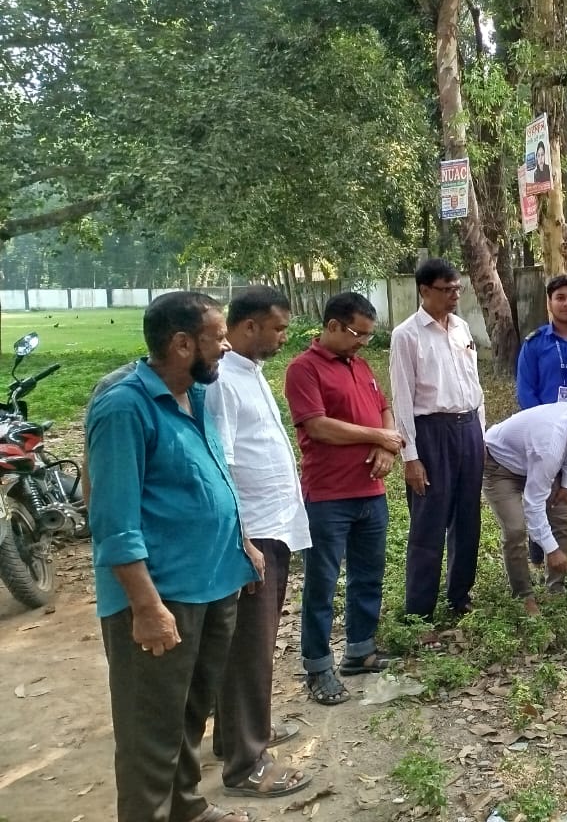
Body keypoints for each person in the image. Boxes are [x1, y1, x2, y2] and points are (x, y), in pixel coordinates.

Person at [87, 291, 257, 822]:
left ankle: (187, 808)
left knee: (189, 713)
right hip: (162, 595)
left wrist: (242, 542)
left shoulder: (196, 395)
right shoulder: (125, 407)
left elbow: (212, 478)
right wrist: (146, 608)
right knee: (150, 732)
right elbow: (112, 521)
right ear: (183, 344)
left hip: (214, 582)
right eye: (218, 337)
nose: (227, 346)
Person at [207, 287, 311, 799]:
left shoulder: (249, 371)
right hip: (254, 535)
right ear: (249, 326)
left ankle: (236, 736)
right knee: (249, 649)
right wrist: (241, 538)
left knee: (255, 643)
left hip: (274, 526)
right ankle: (246, 764)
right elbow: (222, 464)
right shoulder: (223, 382)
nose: (284, 336)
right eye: (278, 328)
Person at [284, 291, 402, 706]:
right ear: (333, 326)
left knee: (368, 575)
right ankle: (318, 666)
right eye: (358, 334)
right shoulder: (303, 369)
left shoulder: (361, 365)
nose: (363, 342)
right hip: (328, 495)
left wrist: (387, 445)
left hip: (370, 491)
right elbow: (318, 426)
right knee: (322, 583)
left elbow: (384, 408)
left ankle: (359, 650)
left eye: (368, 335)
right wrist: (379, 436)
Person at [390, 259, 485, 623]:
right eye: (447, 290)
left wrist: (480, 433)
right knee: (429, 520)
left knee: (467, 516)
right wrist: (410, 457)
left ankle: (459, 594)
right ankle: (419, 609)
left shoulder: (461, 328)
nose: (454, 296)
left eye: (457, 289)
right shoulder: (407, 335)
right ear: (425, 290)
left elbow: (474, 384)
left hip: (468, 429)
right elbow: (402, 397)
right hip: (432, 432)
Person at [483, 403, 567, 614]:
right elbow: (534, 505)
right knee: (515, 530)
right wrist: (552, 550)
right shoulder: (550, 447)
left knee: (562, 514)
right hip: (500, 465)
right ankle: (524, 596)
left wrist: (566, 486)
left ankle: (555, 589)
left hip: (532, 461)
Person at [515, 275, 567, 562]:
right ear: (549, 303)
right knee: (542, 496)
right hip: (544, 438)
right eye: (560, 297)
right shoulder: (534, 343)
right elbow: (526, 391)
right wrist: (545, 430)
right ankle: (539, 557)